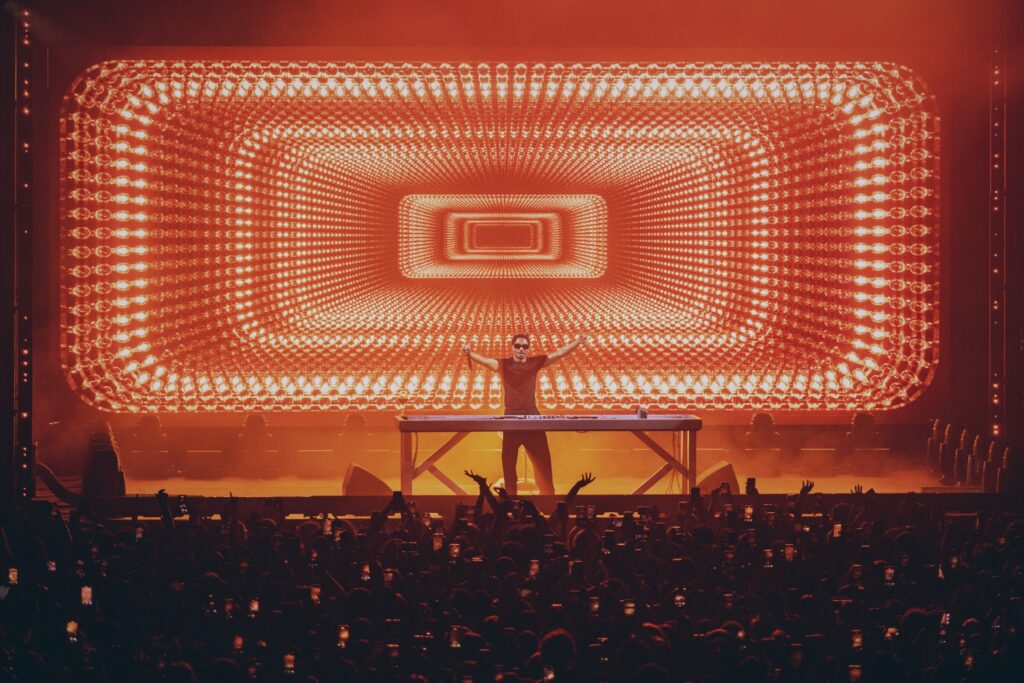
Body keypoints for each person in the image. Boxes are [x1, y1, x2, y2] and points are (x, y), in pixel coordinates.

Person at [463, 333, 587, 496]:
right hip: (511, 421)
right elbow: (486, 361)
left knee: (543, 467)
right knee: (509, 468)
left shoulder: (534, 363)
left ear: (528, 349)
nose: (521, 349)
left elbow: (558, 354)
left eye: (525, 346)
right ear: (513, 347)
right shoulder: (504, 364)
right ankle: (510, 504)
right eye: (518, 346)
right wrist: (470, 353)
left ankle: (548, 501)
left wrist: (577, 342)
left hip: (532, 420)